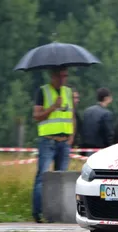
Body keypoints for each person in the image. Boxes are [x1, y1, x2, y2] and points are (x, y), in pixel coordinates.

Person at [31, 67, 76, 223]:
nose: (63, 79)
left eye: (65, 76)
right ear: (53, 76)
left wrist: (72, 136)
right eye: (60, 76)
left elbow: (71, 115)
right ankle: (38, 213)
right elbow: (36, 116)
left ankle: (57, 214)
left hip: (64, 143)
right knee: (42, 177)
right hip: (48, 141)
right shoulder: (42, 92)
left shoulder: (68, 92)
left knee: (61, 179)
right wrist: (53, 107)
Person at [80, 88, 114, 154]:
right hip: (99, 149)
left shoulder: (87, 111)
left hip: (85, 148)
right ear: (106, 98)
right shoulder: (106, 114)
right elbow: (108, 134)